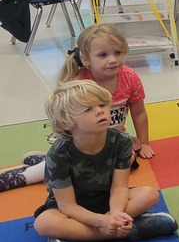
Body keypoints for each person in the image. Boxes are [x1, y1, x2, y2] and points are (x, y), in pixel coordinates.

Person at [34, 80, 176, 242]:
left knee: (149, 194)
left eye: (102, 105)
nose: (100, 111)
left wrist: (116, 214)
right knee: (44, 223)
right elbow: (67, 206)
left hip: (108, 199)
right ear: (65, 123)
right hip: (73, 207)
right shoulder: (58, 153)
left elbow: (119, 187)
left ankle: (77, 239)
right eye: (87, 109)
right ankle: (130, 229)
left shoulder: (122, 141)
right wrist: (103, 222)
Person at [58, 25, 154, 162]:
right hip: (82, 141)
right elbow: (66, 121)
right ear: (85, 58)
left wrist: (144, 143)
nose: (113, 60)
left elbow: (139, 113)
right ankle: (36, 169)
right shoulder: (79, 83)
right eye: (103, 55)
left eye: (118, 53)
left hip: (115, 139)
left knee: (129, 158)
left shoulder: (130, 77)